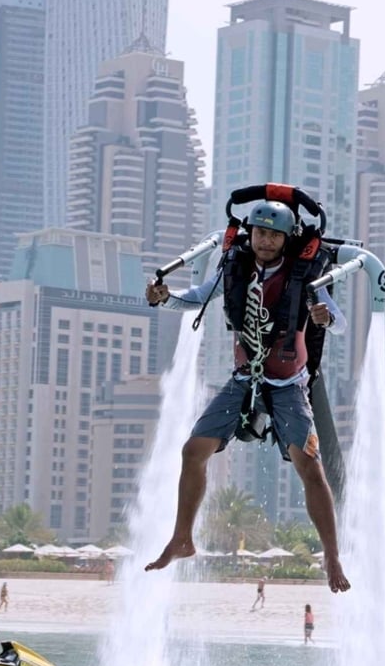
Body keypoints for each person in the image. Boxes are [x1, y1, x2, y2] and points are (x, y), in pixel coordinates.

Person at [143, 199, 351, 594]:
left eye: (274, 234)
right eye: (260, 232)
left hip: (289, 385)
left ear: (286, 239)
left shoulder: (303, 276)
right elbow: (197, 298)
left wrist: (325, 317)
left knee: (310, 467)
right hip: (244, 379)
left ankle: (332, 554)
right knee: (192, 451)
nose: (266, 241)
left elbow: (337, 322)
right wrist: (164, 297)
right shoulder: (235, 268)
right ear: (250, 234)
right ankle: (182, 537)